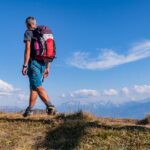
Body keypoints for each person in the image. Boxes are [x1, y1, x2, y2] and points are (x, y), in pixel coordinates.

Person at [22, 16, 57, 117]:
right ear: (35, 23)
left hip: (34, 63)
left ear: (28, 24)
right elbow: (50, 52)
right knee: (33, 87)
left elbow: (27, 49)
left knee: (37, 86)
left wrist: (25, 65)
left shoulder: (28, 32)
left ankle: (50, 106)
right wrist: (48, 67)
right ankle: (29, 110)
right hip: (43, 63)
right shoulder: (43, 34)